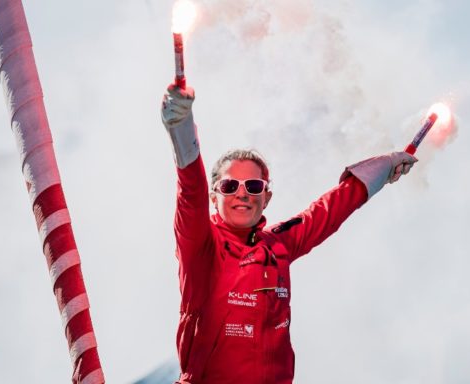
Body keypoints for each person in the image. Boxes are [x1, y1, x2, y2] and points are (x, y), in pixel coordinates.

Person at [160, 83, 417, 384]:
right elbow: (190, 191)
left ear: (266, 197)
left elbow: (328, 211)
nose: (242, 194)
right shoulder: (201, 246)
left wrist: (385, 167)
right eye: (230, 186)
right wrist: (181, 126)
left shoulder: (277, 245)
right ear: (214, 196)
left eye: (253, 187)